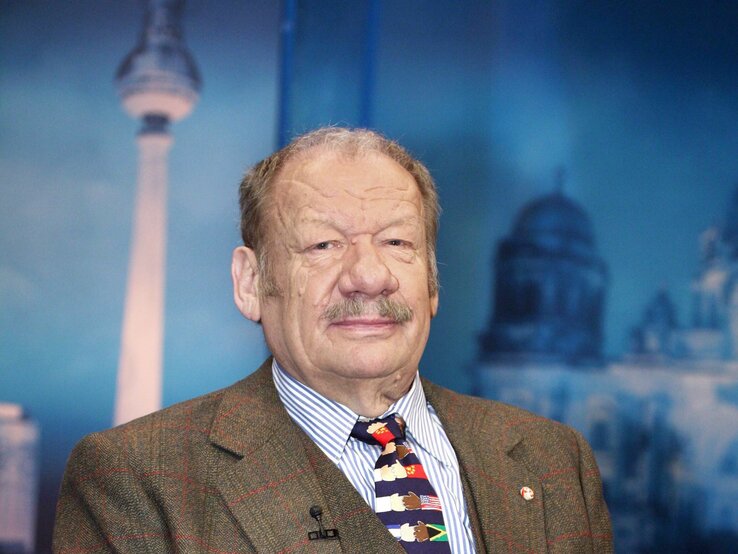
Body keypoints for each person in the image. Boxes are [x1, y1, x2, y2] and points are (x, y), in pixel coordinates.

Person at [54, 127, 613, 553]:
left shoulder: (552, 460)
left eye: (397, 242)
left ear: (433, 282)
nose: (370, 276)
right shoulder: (135, 478)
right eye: (323, 244)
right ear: (251, 284)